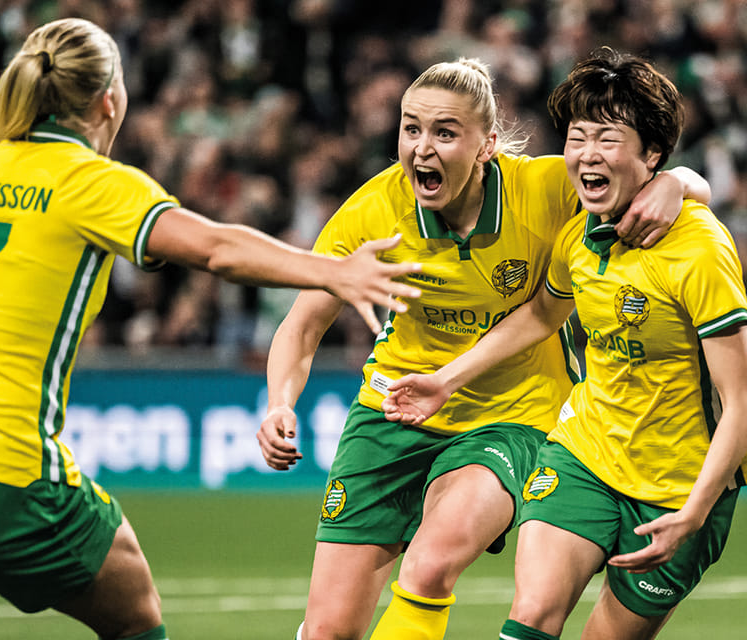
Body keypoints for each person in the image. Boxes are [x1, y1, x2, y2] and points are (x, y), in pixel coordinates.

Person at [0, 18, 426, 640]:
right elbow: (214, 249)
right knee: (138, 618)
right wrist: (332, 270)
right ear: (109, 99)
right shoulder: (89, 183)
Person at [256, 56, 712, 640]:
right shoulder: (374, 211)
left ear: (487, 144)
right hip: (391, 409)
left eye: (445, 132)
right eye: (411, 127)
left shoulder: (545, 188)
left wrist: (677, 183)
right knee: (328, 631)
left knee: (430, 564)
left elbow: (652, 178)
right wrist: (278, 403)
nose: (422, 147)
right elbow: (302, 325)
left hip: (513, 415)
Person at [382, 48, 747, 640]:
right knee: (528, 620)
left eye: (608, 139)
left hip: (679, 490)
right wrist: (445, 379)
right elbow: (540, 315)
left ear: (651, 153)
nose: (586, 155)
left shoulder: (701, 249)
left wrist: (696, 511)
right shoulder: (578, 236)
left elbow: (741, 400)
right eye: (578, 138)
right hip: (585, 457)